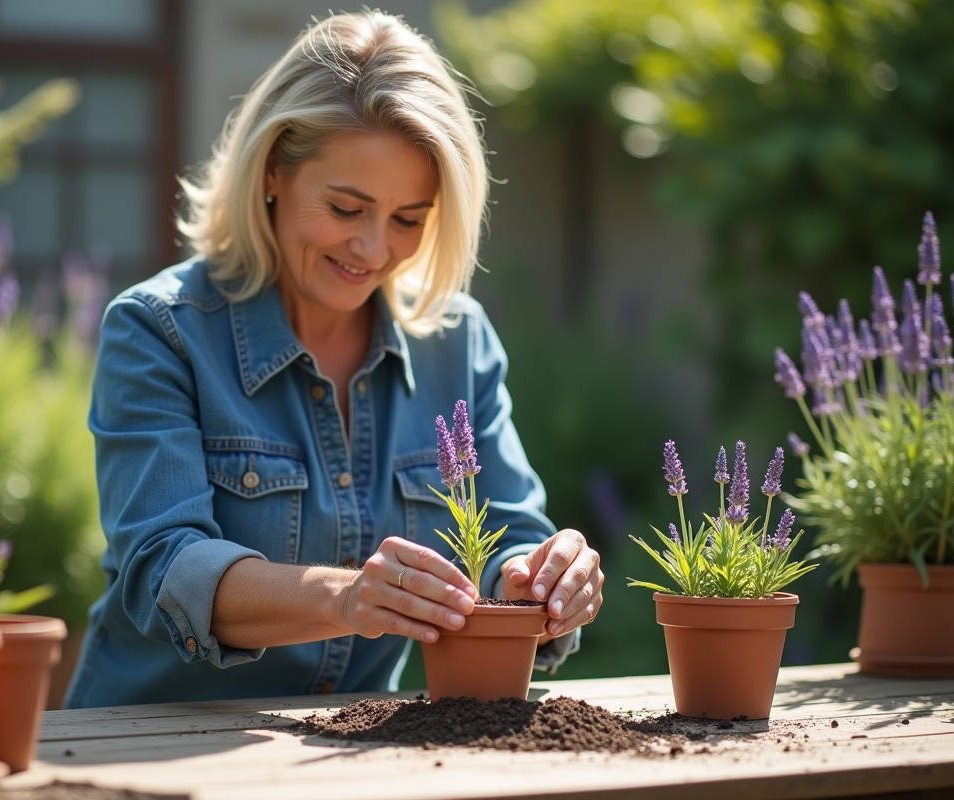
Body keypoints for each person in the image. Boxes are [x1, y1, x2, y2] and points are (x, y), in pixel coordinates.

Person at [64, 10, 603, 709]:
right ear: (271, 172)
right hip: (146, 745)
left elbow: (508, 538)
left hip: (344, 751)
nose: (375, 250)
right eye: (346, 209)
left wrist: (538, 576)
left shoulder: (457, 344)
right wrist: (345, 596)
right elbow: (164, 567)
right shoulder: (160, 331)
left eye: (409, 218)